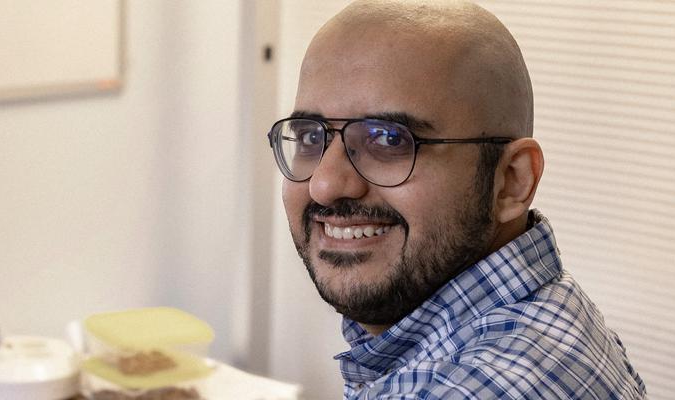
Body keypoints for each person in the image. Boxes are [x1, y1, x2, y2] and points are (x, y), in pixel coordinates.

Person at [266, 1, 647, 398]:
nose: (324, 185)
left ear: (512, 181)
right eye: (311, 137)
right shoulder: (542, 317)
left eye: (390, 139)